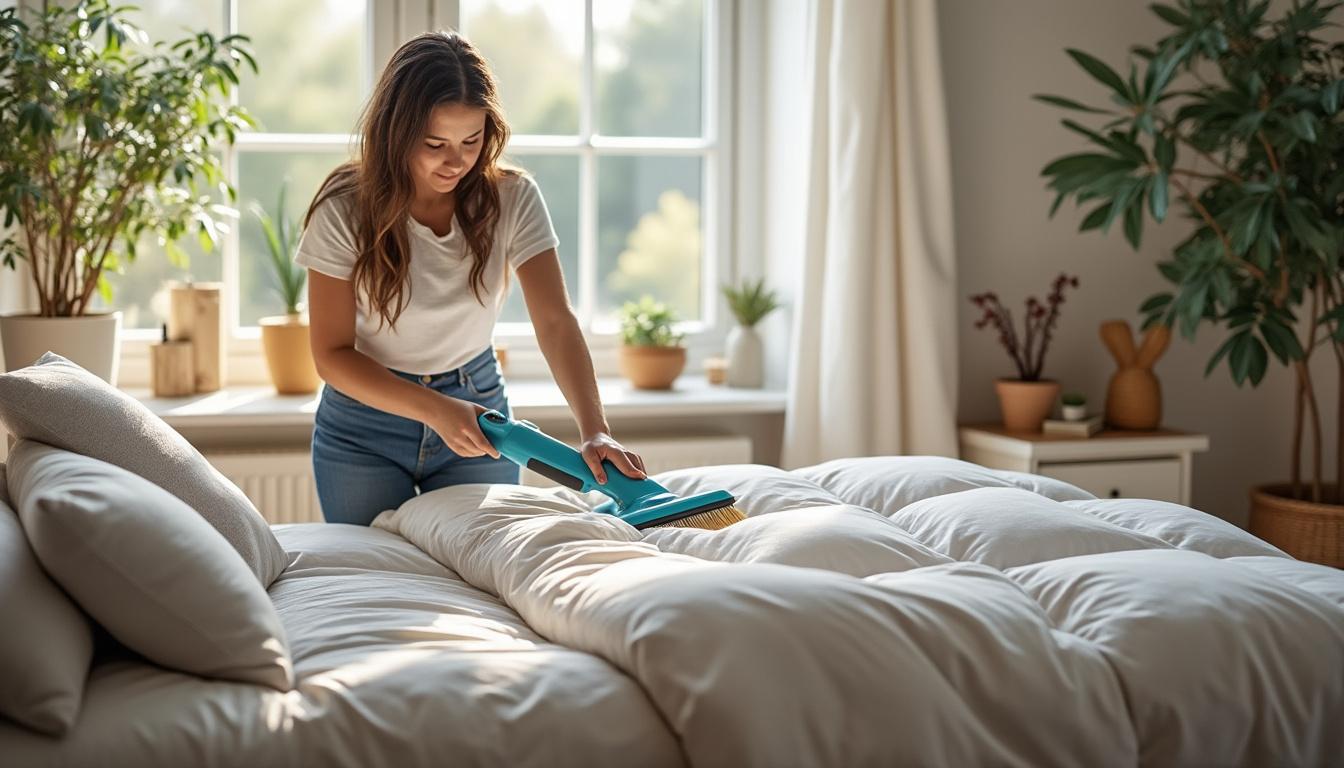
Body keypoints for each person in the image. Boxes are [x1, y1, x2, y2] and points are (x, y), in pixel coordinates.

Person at [296, 31, 647, 526]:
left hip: (477, 408)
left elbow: (554, 320)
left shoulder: (513, 198)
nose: (456, 161)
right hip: (363, 424)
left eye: (471, 140)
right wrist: (436, 409)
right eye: (434, 143)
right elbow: (330, 356)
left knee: (480, 574)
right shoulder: (343, 208)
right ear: (395, 133)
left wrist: (595, 430)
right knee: (378, 573)